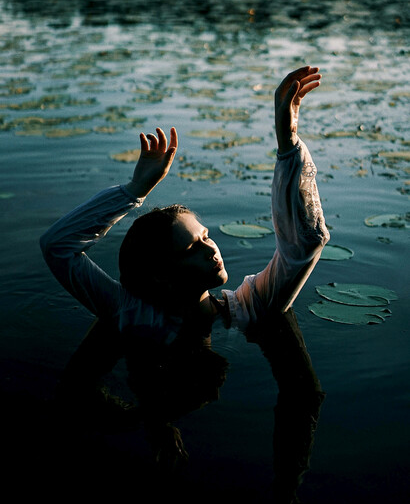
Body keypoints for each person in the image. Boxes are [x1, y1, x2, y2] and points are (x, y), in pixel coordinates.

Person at [40, 66, 329, 352]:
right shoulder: (130, 314)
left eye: (205, 236)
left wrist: (288, 145)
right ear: (160, 276)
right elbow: (57, 246)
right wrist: (134, 190)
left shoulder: (248, 308)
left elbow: (305, 242)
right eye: (192, 248)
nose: (211, 249)